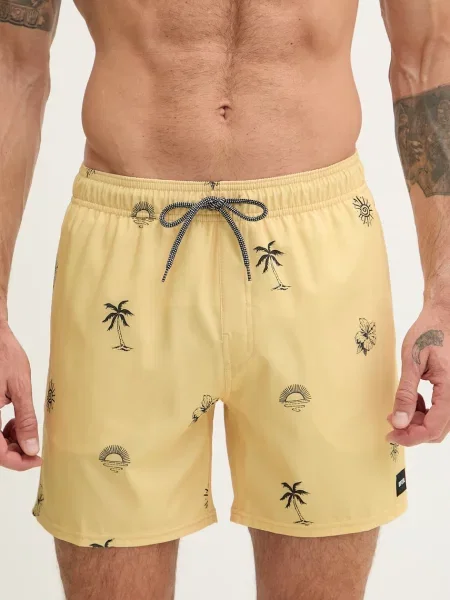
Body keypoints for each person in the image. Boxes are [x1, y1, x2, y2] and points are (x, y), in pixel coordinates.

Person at [1, 1, 449, 599]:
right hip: (125, 250)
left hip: (321, 255)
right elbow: (12, 67)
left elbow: (429, 58)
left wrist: (445, 296)